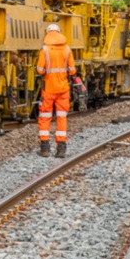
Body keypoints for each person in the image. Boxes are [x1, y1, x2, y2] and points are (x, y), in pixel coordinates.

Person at [35, 22, 79, 158]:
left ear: (48, 34)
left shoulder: (45, 50)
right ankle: (61, 149)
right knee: (61, 117)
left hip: (48, 89)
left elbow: (40, 70)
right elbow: (72, 70)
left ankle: (45, 148)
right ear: (59, 34)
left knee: (45, 117)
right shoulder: (67, 50)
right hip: (63, 89)